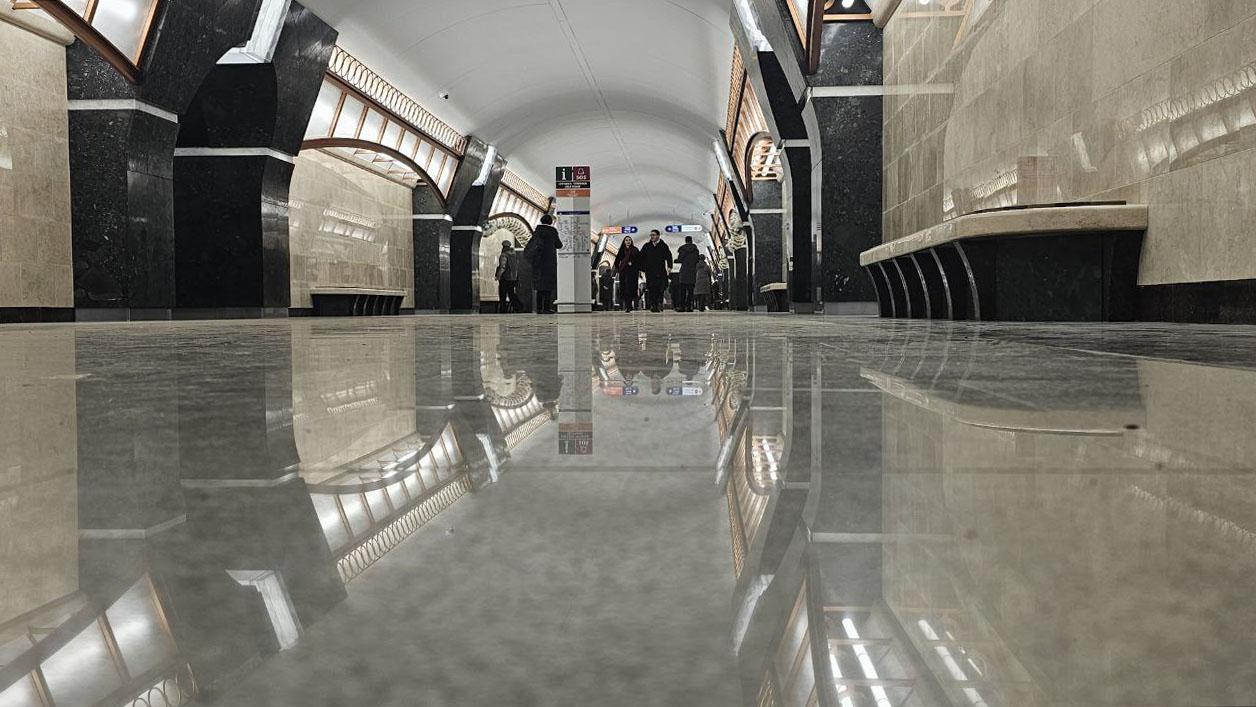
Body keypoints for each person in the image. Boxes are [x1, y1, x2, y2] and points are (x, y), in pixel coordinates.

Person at [523, 214, 562, 314]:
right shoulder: (552, 231)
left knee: (539, 287)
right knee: (548, 287)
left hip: (538, 263)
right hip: (549, 262)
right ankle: (546, 308)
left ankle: (539, 309)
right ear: (550, 222)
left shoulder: (537, 231)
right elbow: (559, 245)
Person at [637, 230, 673, 313]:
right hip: (650, 271)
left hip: (660, 271)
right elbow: (640, 257)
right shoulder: (646, 246)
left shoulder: (663, 246)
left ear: (658, 236)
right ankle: (653, 305)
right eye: (651, 235)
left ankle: (659, 303)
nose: (652, 237)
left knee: (660, 288)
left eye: (653, 235)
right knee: (651, 288)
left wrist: (669, 267)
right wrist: (642, 268)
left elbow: (669, 256)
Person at [613, 236, 641, 313]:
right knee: (625, 288)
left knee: (631, 288)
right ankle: (628, 306)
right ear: (624, 242)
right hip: (624, 272)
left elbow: (639, 260)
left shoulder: (635, 250)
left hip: (632, 272)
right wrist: (619, 269)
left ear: (631, 241)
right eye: (626, 240)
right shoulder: (621, 250)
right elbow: (617, 261)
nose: (628, 241)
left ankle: (629, 305)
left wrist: (633, 263)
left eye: (629, 240)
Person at [494, 240, 523, 313]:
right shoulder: (514, 256)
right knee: (511, 294)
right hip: (513, 278)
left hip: (505, 278)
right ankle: (519, 307)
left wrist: (498, 276)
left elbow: (502, 267)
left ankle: (503, 309)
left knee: (502, 294)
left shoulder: (504, 255)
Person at [675, 235, 700, 312]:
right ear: (691, 241)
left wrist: (677, 260)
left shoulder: (682, 249)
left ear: (686, 241)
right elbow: (697, 260)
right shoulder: (695, 250)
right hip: (692, 272)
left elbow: (680, 259)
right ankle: (689, 307)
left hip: (684, 272)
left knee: (682, 291)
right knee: (690, 291)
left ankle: (682, 307)